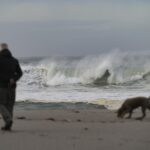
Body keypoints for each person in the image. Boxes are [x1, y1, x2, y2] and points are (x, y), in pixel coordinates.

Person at [0, 43, 23, 131]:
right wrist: (13, 79)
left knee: (1, 104)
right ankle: (8, 125)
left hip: (2, 86)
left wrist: (7, 79)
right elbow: (20, 73)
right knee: (10, 105)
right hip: (12, 86)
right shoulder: (14, 60)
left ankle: (8, 120)